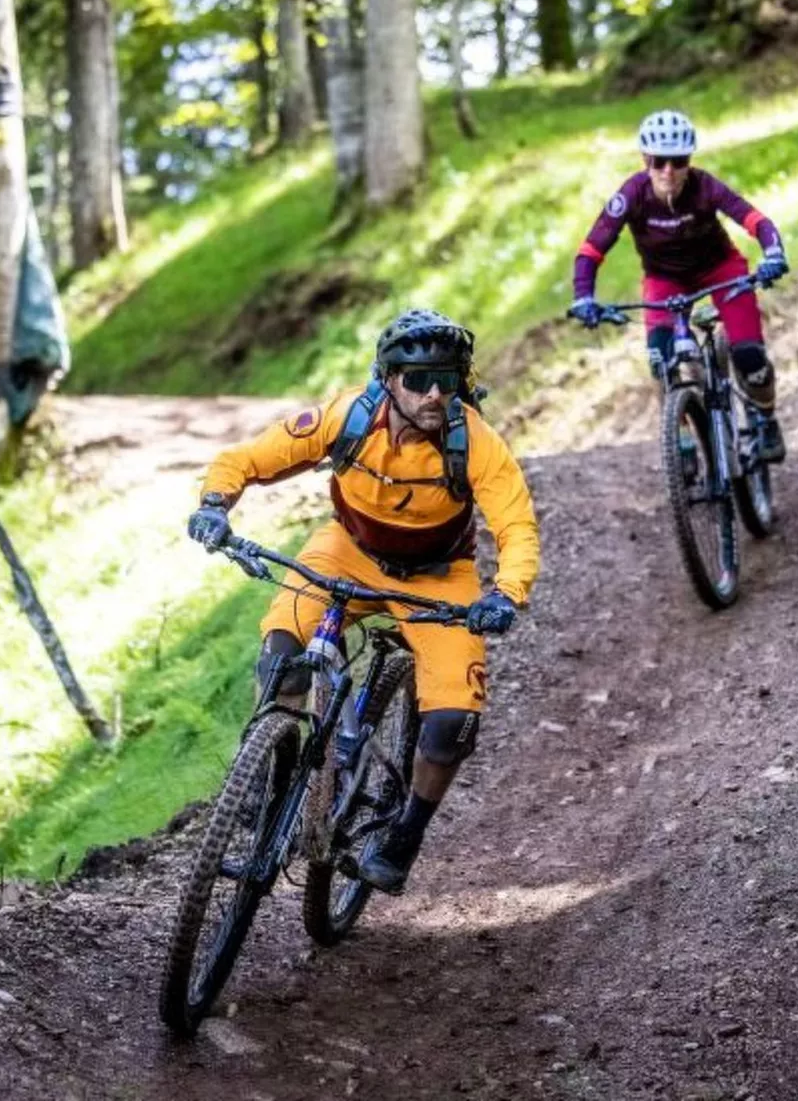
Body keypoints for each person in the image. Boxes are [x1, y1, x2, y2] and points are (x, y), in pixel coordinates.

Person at [187, 310, 540, 893]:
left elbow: (517, 526)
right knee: (281, 656)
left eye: (447, 381)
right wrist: (213, 504)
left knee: (451, 720)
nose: (434, 394)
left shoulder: (474, 441)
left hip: (437, 577)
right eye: (419, 380)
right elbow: (247, 459)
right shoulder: (348, 417)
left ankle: (406, 834)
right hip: (345, 552)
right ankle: (270, 787)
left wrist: (506, 592)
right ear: (389, 379)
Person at [568, 109, 790, 462]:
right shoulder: (632, 194)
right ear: (646, 160)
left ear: (689, 160)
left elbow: (755, 219)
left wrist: (773, 253)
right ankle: (683, 439)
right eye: (658, 161)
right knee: (662, 361)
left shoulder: (705, 186)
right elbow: (591, 249)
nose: (668, 170)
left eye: (677, 160)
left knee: (749, 355)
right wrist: (583, 296)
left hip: (722, 270)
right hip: (665, 280)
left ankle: (765, 420)